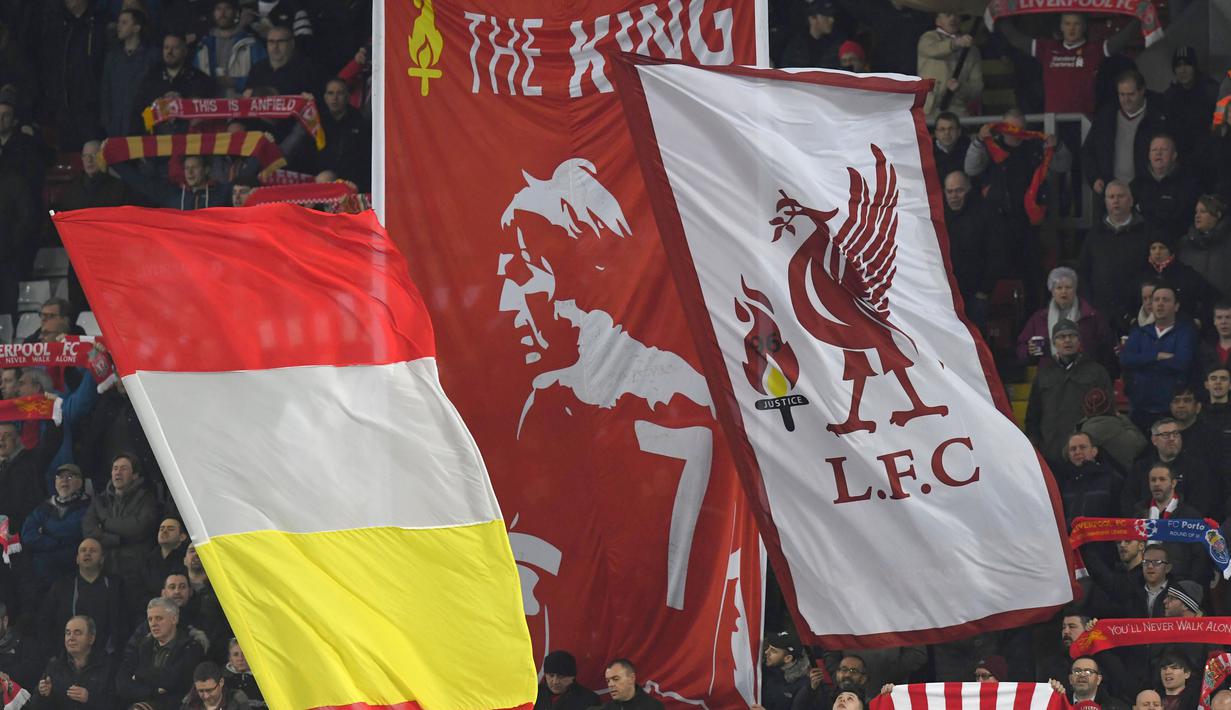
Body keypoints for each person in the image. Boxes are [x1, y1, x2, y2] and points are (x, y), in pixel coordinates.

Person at [81, 453, 160, 620]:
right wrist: (117, 539)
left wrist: (106, 522)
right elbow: (89, 530)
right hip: (105, 570)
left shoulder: (146, 498)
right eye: (115, 468)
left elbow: (139, 527)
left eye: (124, 469)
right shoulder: (100, 500)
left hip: (136, 572)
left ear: (135, 475)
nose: (118, 472)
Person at [1025, 318, 1114, 464]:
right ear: (1054, 343)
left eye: (1072, 336)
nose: (1067, 340)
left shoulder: (1097, 372)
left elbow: (1108, 415)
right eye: (1061, 336)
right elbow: (1033, 416)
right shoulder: (1043, 375)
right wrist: (1034, 445)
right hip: (1050, 452)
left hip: (1084, 453)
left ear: (1079, 341)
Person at [1121, 285, 1198, 431]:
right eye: (1156, 300)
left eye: (1166, 300)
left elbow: (1182, 363)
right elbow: (1126, 359)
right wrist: (1157, 356)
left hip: (1169, 410)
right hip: (1140, 409)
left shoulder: (1185, 333)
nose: (1160, 304)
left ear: (1176, 306)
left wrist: (1142, 361)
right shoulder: (1139, 332)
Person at [1082, 69, 1169, 195]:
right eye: (1122, 95)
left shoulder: (1158, 118)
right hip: (1111, 192)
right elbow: (1088, 151)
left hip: (1147, 193)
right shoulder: (1105, 117)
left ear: (1142, 91)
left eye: (1131, 94)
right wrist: (1094, 178)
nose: (1126, 99)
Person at [39, 537, 124, 656]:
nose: (87, 553)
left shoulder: (115, 585)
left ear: (102, 559)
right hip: (67, 656)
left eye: (93, 550)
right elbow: (46, 620)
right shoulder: (62, 586)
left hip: (107, 656)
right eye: (83, 550)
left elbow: (122, 624)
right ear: (77, 559)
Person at [115, 597, 205, 710]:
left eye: (159, 618)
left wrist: (138, 675)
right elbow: (121, 684)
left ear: (174, 619)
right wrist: (153, 692)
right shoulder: (142, 645)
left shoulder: (191, 647)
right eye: (150, 619)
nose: (153, 624)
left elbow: (175, 680)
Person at [1016, 267, 1113, 369]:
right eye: (1059, 288)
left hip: (1085, 376)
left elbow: (1107, 348)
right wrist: (1028, 350)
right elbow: (1021, 346)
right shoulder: (1039, 318)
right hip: (1050, 377)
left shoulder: (1092, 316)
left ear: (1075, 289)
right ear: (1052, 291)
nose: (1064, 291)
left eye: (1068, 287)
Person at [941, 170, 1000, 331]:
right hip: (946, 294)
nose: (954, 196)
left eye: (959, 191)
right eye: (950, 191)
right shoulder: (940, 217)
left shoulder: (985, 214)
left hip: (976, 294)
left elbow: (995, 254)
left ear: (968, 191)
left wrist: (984, 290)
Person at [20, 464, 89, 596]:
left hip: (72, 574)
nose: (64, 481)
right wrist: (57, 541)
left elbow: (75, 531)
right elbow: (27, 535)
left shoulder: (88, 507)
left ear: (80, 483)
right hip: (41, 578)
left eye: (69, 477)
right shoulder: (42, 508)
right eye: (60, 477)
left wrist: (46, 533)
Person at [130, 32, 215, 133]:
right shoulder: (151, 79)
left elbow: (207, 117)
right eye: (166, 47)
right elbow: (137, 114)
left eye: (175, 48)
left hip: (188, 143)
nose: (169, 52)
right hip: (155, 143)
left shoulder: (200, 80)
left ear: (185, 51)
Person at [99, 7, 159, 138]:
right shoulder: (112, 56)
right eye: (119, 22)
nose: (119, 26)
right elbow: (106, 89)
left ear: (137, 28)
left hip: (141, 125)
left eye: (124, 22)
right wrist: (107, 121)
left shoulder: (152, 56)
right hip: (115, 126)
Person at [34, 615, 114, 710]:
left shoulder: (108, 666)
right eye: (68, 633)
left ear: (91, 639)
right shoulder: (55, 665)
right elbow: (35, 706)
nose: (71, 638)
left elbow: (117, 704)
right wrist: (42, 694)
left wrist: (90, 699)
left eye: (77, 633)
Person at [1133, 135, 1201, 244]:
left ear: (1174, 155)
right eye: (1154, 150)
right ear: (1149, 155)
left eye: (1164, 149)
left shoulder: (1188, 184)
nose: (1158, 153)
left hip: (1177, 243)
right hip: (1143, 243)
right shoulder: (1137, 184)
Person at [193, 0, 266, 97]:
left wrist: (236, 82)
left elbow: (263, 75)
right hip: (209, 106)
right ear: (213, 13)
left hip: (242, 105)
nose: (222, 13)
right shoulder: (202, 45)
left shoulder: (251, 43)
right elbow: (194, 78)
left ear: (236, 13)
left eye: (227, 8)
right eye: (218, 9)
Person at [917, 12, 982, 121]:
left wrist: (961, 88)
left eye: (956, 15)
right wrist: (955, 43)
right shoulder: (927, 38)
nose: (953, 18)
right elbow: (934, 50)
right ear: (937, 21)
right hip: (929, 108)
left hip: (957, 109)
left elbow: (977, 86)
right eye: (947, 14)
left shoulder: (972, 50)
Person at [1163, 47, 1218, 161]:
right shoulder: (1171, 96)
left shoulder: (1210, 91)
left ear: (1195, 67)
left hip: (1208, 159)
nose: (1183, 70)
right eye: (1178, 65)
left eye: (1187, 64)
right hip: (1181, 159)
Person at [1177, 196, 1230, 301]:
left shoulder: (1227, 243)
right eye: (1196, 212)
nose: (1197, 216)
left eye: (1203, 211)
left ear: (1217, 215)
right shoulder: (1185, 243)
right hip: (1193, 306)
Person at [780, 1, 843, 69]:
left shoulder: (836, 44)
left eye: (832, 16)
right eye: (826, 16)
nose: (832, 20)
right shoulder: (796, 47)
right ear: (812, 18)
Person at [759, 632, 809, 710]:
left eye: (773, 651)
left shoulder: (805, 685)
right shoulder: (764, 670)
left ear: (788, 658)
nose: (766, 652)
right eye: (768, 647)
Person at [534, 650, 599, 710]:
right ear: (545, 675)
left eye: (561, 676)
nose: (555, 681)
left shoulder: (589, 700)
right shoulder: (535, 694)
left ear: (572, 677)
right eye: (551, 675)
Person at [181, 661, 249, 710]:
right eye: (200, 691)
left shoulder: (237, 701)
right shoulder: (189, 704)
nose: (206, 696)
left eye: (209, 690)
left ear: (221, 682)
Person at [221, 638, 262, 708]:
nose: (240, 658)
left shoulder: (262, 678)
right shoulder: (223, 681)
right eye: (236, 654)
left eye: (244, 653)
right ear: (230, 658)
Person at [932, 113, 970, 185]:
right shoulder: (925, 152)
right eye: (942, 129)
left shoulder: (969, 150)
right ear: (936, 133)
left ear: (959, 132)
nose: (947, 132)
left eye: (951, 128)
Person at [1201, 304, 1231, 372]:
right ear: (1214, 321)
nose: (1223, 322)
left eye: (1228, 317)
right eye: (1219, 317)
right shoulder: (1205, 348)